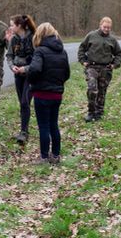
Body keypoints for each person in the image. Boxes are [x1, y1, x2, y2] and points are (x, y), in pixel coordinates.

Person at [27, 22, 70, 165]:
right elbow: (67, 73)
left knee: (44, 126)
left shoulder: (40, 51)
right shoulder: (62, 52)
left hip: (42, 94)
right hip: (57, 94)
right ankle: (56, 155)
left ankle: (44, 157)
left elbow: (34, 70)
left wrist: (32, 81)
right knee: (54, 125)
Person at [78, 17, 121, 122]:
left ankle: (99, 112)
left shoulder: (112, 40)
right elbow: (81, 48)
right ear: (100, 25)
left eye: (108, 28)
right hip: (92, 67)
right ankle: (91, 112)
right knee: (92, 89)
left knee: (102, 91)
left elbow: (119, 53)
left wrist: (115, 64)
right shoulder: (91, 36)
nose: (106, 29)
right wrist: (82, 60)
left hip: (105, 68)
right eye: (105, 27)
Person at [5, 14, 37, 145]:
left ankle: (24, 132)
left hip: (30, 76)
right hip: (18, 75)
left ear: (19, 25)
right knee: (22, 103)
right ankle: (24, 129)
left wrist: (26, 68)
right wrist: (12, 67)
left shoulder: (34, 38)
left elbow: (38, 59)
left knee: (25, 102)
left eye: (12, 24)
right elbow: (9, 56)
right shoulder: (13, 39)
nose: (10, 27)